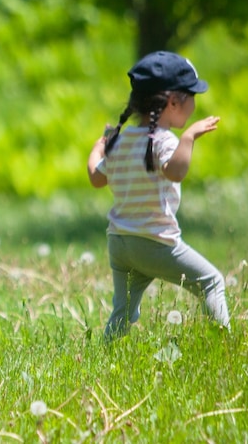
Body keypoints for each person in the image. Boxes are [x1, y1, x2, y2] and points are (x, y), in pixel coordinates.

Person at [85, 51, 228, 341]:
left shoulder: (121, 142)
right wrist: (188, 138)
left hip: (120, 243)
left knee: (123, 312)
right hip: (154, 243)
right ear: (174, 102)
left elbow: (96, 178)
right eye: (192, 96)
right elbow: (175, 172)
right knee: (212, 282)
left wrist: (99, 148)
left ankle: (104, 354)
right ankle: (224, 344)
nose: (194, 104)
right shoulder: (163, 141)